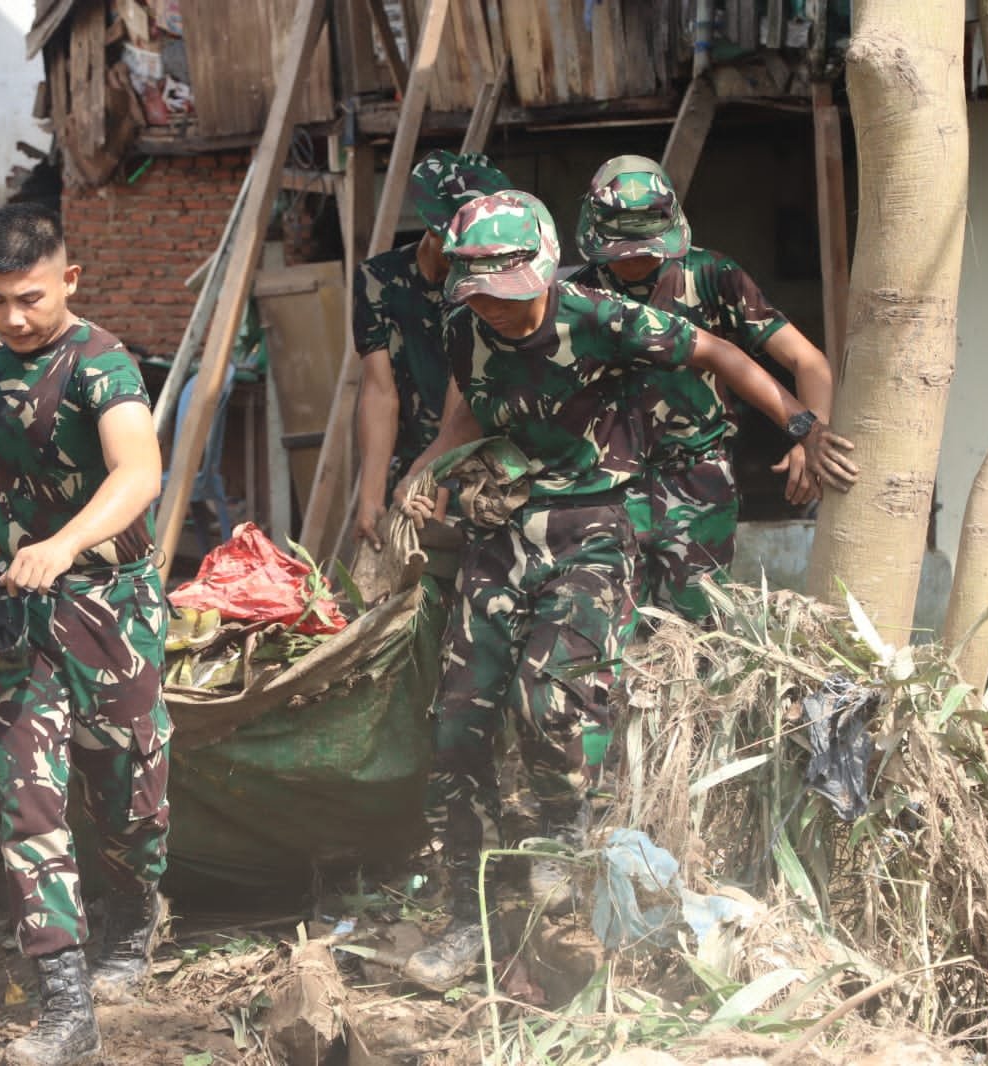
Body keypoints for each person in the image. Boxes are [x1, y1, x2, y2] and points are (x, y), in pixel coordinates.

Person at [396, 192, 858, 989]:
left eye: (508, 295)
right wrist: (424, 470)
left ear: (541, 271)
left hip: (592, 529)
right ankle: (462, 920)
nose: (497, 311)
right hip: (499, 533)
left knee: (555, 705)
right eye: (481, 295)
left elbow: (718, 353)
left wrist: (797, 423)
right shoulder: (463, 325)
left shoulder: (604, 317)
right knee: (457, 730)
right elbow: (463, 419)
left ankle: (563, 834)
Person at [0, 202, 170, 1066]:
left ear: (69, 282)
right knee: (26, 793)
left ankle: (135, 917)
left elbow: (141, 470)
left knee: (128, 795)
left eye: (31, 299)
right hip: (24, 611)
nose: (13, 318)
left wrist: (66, 543)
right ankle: (64, 1002)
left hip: (107, 603)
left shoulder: (101, 364)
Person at [568, 155, 836, 622]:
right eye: (623, 248)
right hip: (606, 486)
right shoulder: (578, 298)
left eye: (647, 247)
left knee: (696, 635)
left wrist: (810, 435)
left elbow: (806, 359)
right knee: (606, 631)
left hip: (696, 479)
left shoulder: (711, 277)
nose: (636, 259)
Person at [353, 150, 509, 547]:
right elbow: (379, 390)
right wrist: (370, 493)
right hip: (407, 460)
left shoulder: (484, 286)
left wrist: (437, 487)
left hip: (474, 461)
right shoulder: (378, 279)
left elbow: (465, 389)